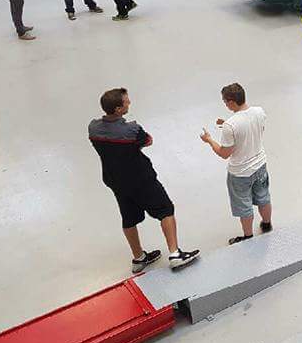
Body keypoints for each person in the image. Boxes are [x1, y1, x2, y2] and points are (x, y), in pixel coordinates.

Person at [89, 88, 199, 272]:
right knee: (166, 210)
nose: (129, 103)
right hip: (141, 179)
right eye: (126, 101)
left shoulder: (93, 128)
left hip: (115, 181)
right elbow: (148, 140)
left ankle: (139, 258)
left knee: (128, 218)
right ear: (118, 109)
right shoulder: (132, 130)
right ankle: (175, 254)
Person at [199, 83, 272, 245]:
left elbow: (224, 153)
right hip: (260, 165)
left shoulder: (230, 126)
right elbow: (254, 129)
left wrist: (209, 140)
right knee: (263, 197)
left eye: (225, 102)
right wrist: (228, 124)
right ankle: (267, 224)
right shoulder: (259, 112)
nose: (225, 104)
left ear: (232, 102)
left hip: (240, 173)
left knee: (244, 205)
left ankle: (248, 237)